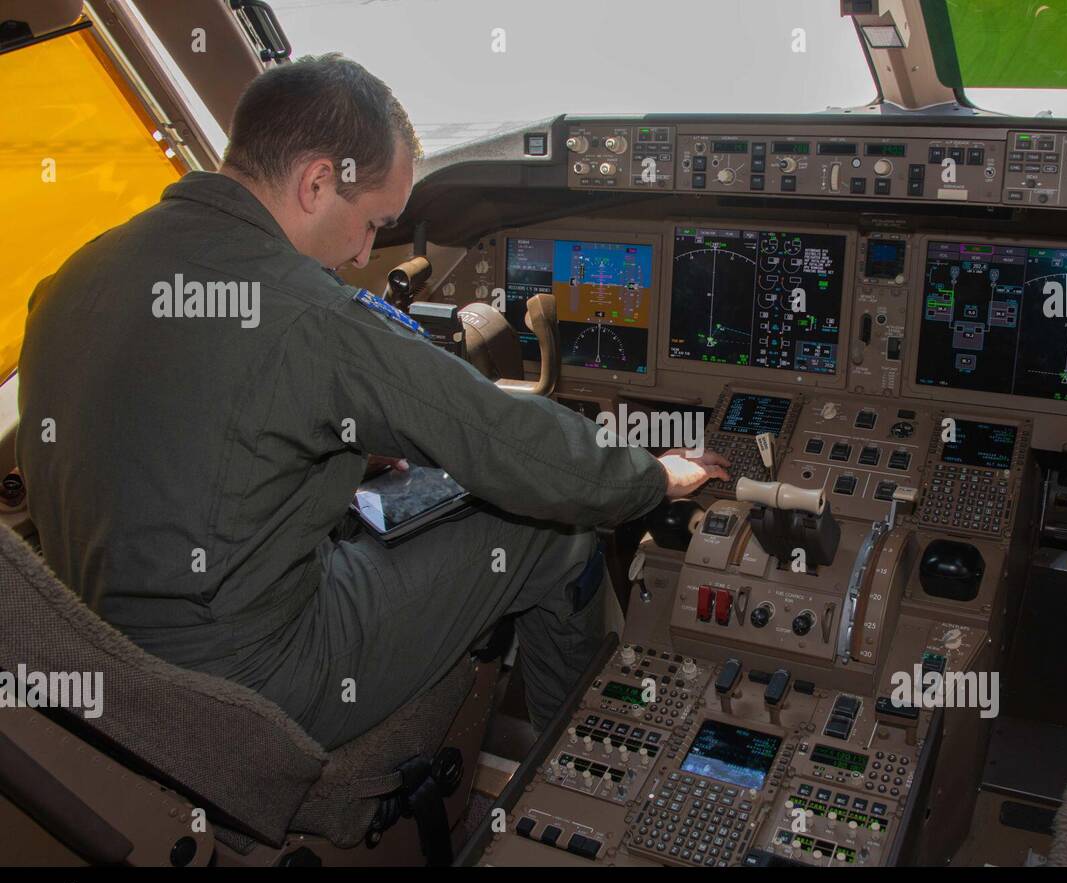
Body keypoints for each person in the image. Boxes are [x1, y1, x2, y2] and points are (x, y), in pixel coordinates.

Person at [16, 54, 728, 749]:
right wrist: (654, 476)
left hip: (103, 662)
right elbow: (511, 445)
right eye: (374, 224)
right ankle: (575, 767)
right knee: (555, 530)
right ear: (317, 182)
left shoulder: (73, 276)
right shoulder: (311, 314)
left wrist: (349, 447)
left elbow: (186, 439)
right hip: (248, 682)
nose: (363, 256)